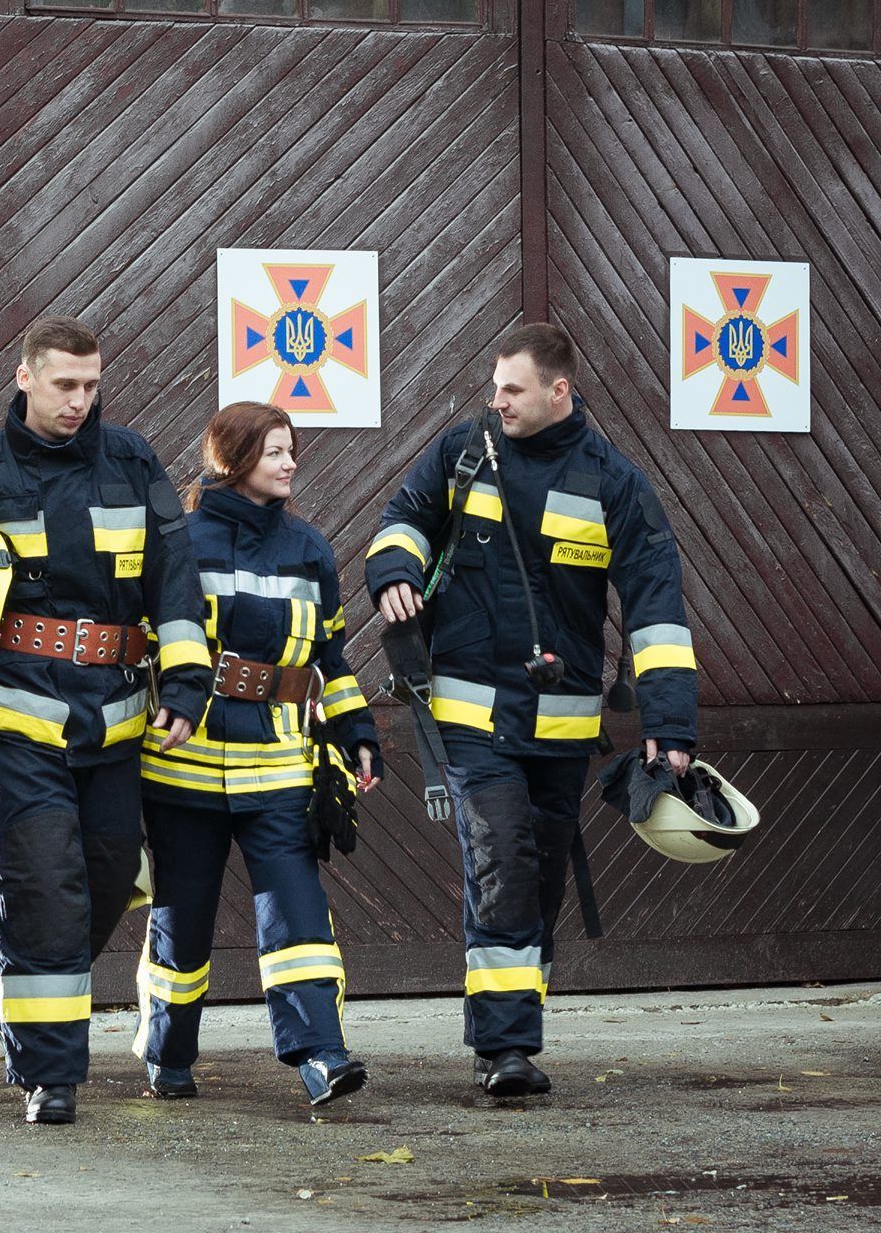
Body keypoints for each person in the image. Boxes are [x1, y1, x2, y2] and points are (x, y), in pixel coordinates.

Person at [366, 322, 697, 1097]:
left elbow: (656, 609)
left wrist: (669, 725)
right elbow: (403, 517)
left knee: (541, 871)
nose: (498, 401)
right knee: (503, 856)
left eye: (513, 389)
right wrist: (395, 571)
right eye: (495, 387)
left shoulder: (614, 483)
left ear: (559, 390)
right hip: (471, 718)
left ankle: (513, 1015)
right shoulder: (464, 451)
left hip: (562, 728)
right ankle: (505, 1047)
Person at [0, 316, 207, 1125]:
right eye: (65, 385)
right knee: (44, 885)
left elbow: (174, 572)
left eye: (91, 385)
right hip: (17, 716)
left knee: (109, 875)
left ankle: (12, 998)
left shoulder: (132, 460)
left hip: (115, 716)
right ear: (26, 378)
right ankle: (50, 1075)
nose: (80, 400)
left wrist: (187, 682)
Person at [135, 402, 381, 1107]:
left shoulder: (309, 548)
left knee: (299, 917)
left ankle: (322, 1056)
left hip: (278, 769)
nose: (290, 462)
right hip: (182, 769)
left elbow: (329, 657)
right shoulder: (177, 542)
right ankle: (168, 1056)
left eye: (290, 450)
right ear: (232, 459)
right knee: (181, 922)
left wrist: (357, 732)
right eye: (275, 451)